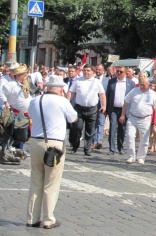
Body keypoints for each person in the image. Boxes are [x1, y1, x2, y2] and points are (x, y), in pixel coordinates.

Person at [26, 75, 77, 230]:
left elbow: (30, 115)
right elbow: (73, 118)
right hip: (54, 144)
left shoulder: (35, 100)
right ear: (61, 89)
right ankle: (48, 219)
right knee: (51, 183)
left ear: (47, 87)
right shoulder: (63, 101)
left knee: (36, 180)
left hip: (35, 142)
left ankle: (32, 218)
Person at [67, 64, 106, 156]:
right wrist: (67, 103)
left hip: (92, 109)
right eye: (85, 70)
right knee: (77, 127)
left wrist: (104, 105)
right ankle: (75, 144)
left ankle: (87, 149)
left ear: (92, 72)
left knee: (90, 130)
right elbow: (71, 92)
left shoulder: (96, 82)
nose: (86, 72)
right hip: (79, 109)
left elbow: (102, 94)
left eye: (88, 71)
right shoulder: (77, 81)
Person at [120, 77, 156, 164]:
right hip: (132, 117)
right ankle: (131, 156)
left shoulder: (152, 94)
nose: (142, 86)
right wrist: (122, 115)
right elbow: (126, 103)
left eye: (144, 85)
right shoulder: (134, 91)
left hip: (145, 118)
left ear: (149, 85)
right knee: (129, 136)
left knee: (144, 139)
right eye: (141, 84)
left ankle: (141, 157)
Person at [105, 66, 135, 155]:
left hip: (124, 109)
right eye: (117, 71)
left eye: (121, 72)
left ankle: (120, 147)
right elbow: (108, 95)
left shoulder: (131, 83)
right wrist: (106, 108)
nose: (118, 73)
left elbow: (132, 97)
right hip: (113, 109)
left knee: (122, 129)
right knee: (113, 128)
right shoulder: (111, 82)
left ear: (125, 73)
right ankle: (112, 148)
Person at [92, 64, 110, 150]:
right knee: (93, 123)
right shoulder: (92, 80)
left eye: (100, 70)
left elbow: (109, 94)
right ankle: (93, 141)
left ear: (103, 70)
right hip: (93, 105)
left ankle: (99, 141)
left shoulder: (107, 81)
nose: (98, 71)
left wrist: (106, 106)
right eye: (97, 69)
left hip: (103, 105)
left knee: (101, 123)